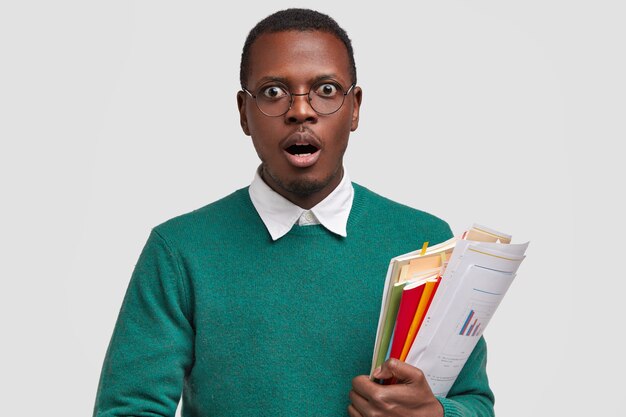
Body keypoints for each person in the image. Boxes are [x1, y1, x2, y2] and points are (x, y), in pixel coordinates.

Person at [93, 8, 495, 417]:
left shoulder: (423, 241)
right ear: (243, 113)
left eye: (325, 89)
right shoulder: (179, 251)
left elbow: (475, 402)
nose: (300, 111)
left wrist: (437, 413)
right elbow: (127, 409)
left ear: (354, 108)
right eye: (272, 92)